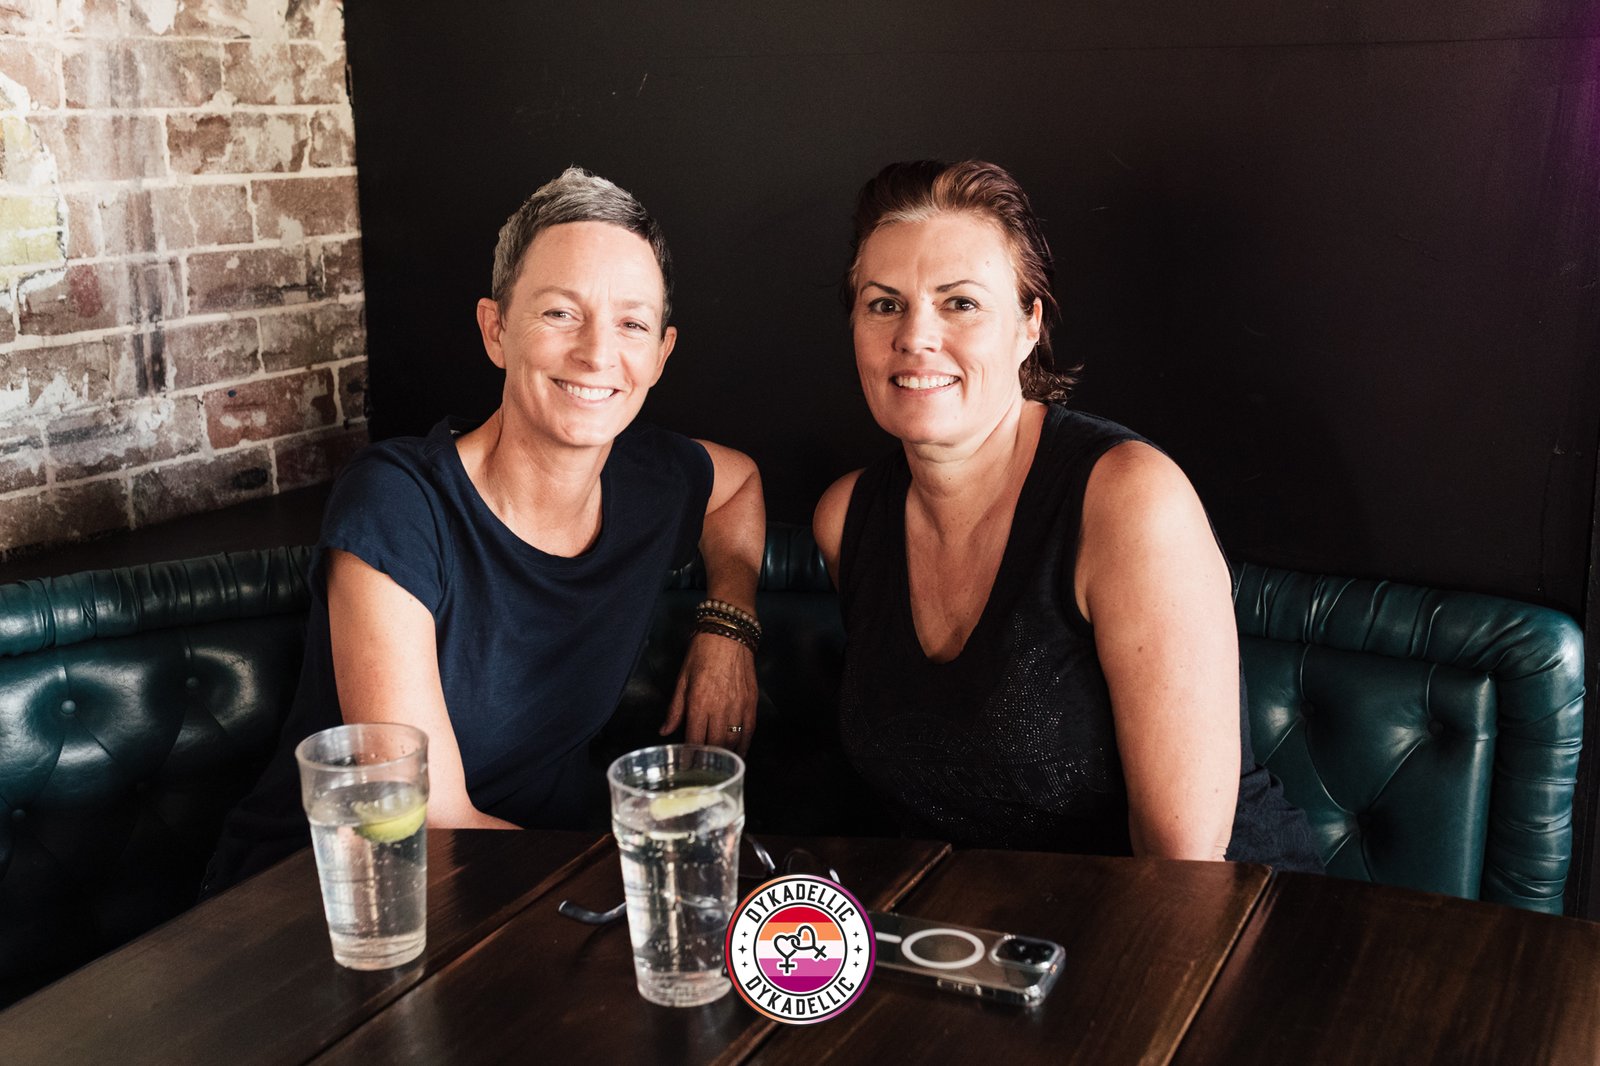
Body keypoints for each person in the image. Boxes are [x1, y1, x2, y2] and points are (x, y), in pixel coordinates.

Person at [205, 167, 765, 892]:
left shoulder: (652, 480)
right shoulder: (398, 501)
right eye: (560, 313)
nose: (598, 353)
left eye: (632, 324)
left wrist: (728, 623)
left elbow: (738, 487)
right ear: (496, 330)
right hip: (331, 903)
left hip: (534, 892)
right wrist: (654, 899)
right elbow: (431, 822)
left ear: (660, 354)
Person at [814, 159, 1319, 868]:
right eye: (883, 304)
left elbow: (1183, 863)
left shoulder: (1129, 498)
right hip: (978, 922)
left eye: (960, 303)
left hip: (1209, 911)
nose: (915, 336)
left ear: (1029, 325)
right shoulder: (847, 518)